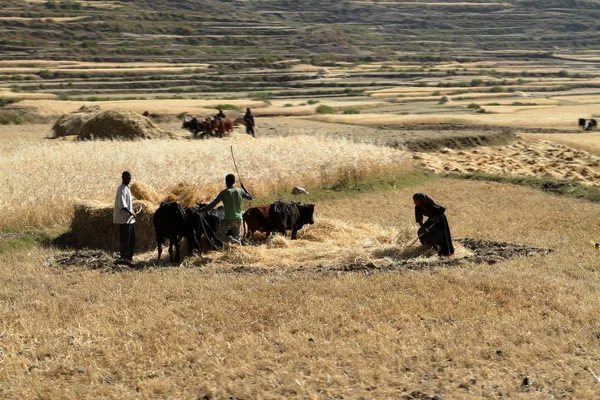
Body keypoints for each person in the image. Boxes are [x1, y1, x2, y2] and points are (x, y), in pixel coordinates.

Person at [198, 174, 253, 246]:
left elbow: (213, 205)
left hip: (229, 220)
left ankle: (232, 240)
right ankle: (237, 251)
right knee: (238, 238)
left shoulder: (224, 193)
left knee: (218, 235)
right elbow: (250, 197)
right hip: (239, 219)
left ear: (226, 182)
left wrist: (201, 210)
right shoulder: (240, 191)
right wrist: (244, 188)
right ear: (234, 181)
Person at [113, 171, 139, 265]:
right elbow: (122, 206)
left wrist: (132, 211)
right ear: (123, 178)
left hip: (129, 220)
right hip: (124, 220)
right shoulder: (121, 189)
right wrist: (131, 212)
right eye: (128, 178)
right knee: (125, 240)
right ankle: (124, 259)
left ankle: (130, 258)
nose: (129, 180)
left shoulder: (127, 188)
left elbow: (128, 204)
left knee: (132, 240)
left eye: (130, 178)